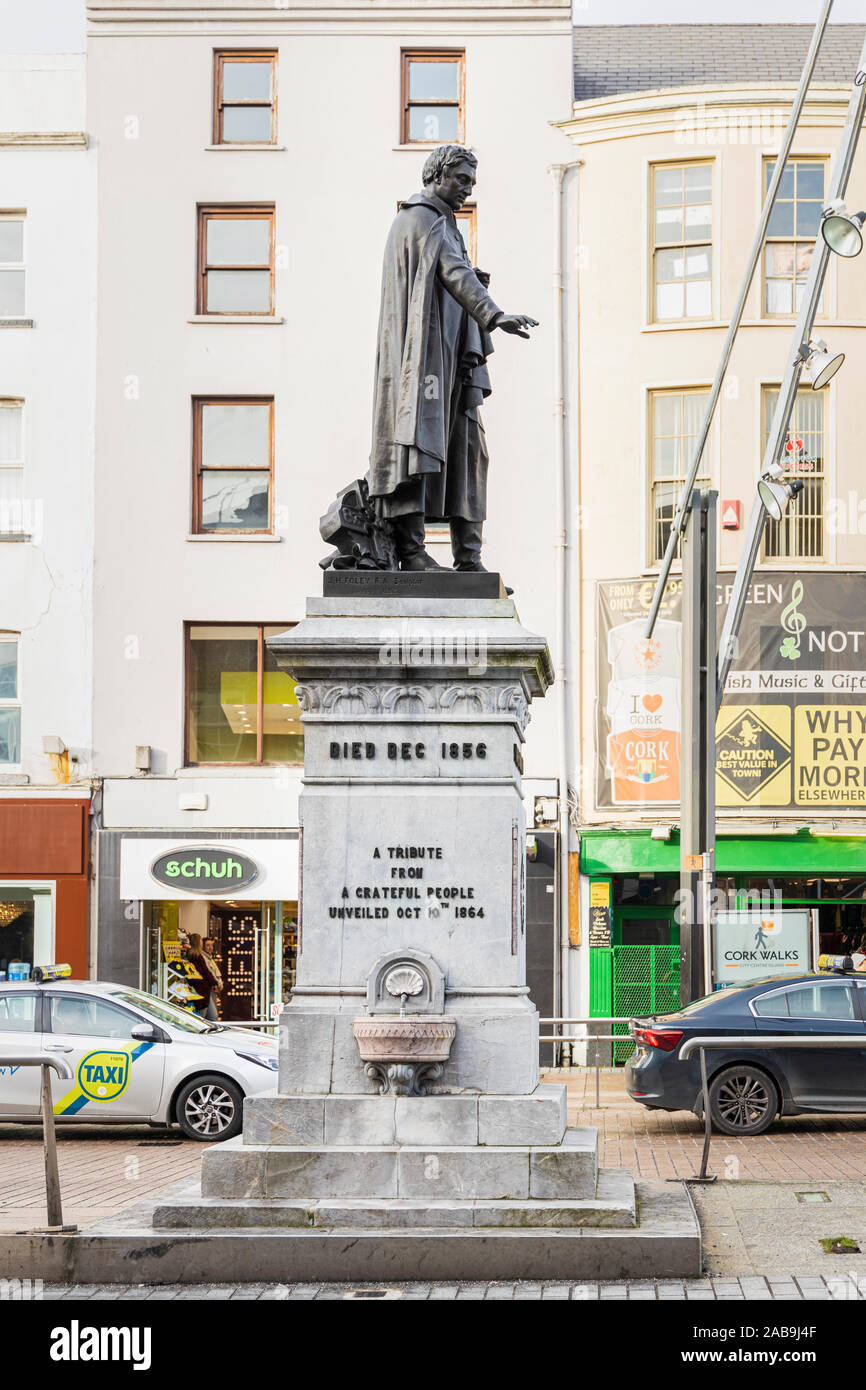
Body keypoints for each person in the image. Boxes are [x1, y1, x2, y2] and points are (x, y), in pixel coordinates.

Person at [366, 144, 537, 573]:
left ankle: (469, 557)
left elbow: (453, 276)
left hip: (451, 360)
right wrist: (495, 314)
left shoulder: (440, 222)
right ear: (437, 175)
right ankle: (412, 551)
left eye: (472, 182)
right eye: (462, 179)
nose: (468, 189)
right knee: (418, 444)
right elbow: (453, 273)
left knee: (469, 447)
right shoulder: (422, 219)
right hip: (423, 363)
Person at [187, 933, 220, 1021]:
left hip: (204, 991)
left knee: (212, 1016)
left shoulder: (193, 957)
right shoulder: (198, 957)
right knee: (203, 1018)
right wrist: (214, 983)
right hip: (201, 992)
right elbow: (206, 972)